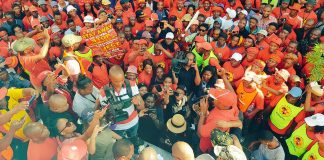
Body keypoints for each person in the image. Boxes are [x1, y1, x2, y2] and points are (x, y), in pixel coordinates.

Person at [198, 69, 242, 153]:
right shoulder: (232, 105)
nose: (213, 99)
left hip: (207, 147)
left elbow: (200, 133)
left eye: (215, 98)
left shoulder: (217, 121)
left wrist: (203, 113)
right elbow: (232, 93)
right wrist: (223, 77)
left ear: (222, 104)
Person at [99, 65, 144, 141]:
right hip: (117, 127)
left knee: (134, 139)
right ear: (110, 78)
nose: (120, 83)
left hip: (133, 123)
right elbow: (105, 112)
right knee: (121, 144)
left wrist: (138, 102)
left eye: (122, 80)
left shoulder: (132, 85)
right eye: (116, 81)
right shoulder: (103, 92)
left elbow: (142, 106)